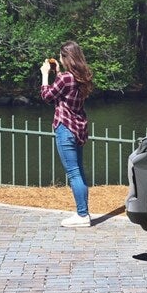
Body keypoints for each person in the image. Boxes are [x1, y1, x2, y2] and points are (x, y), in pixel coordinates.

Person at [40, 41, 96, 228]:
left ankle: (82, 215)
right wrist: (56, 73)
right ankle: (84, 212)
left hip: (65, 128)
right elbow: (64, 93)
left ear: (67, 57)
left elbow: (47, 96)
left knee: (73, 174)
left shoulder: (65, 78)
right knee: (79, 172)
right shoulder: (83, 77)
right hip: (78, 127)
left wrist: (45, 75)